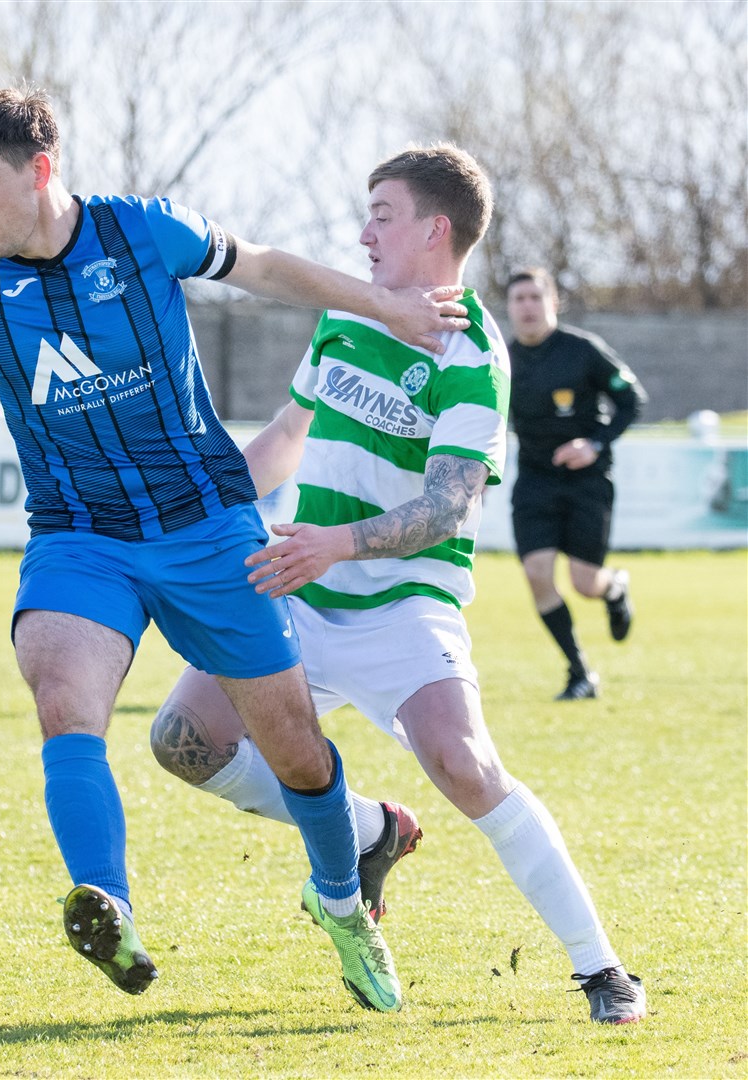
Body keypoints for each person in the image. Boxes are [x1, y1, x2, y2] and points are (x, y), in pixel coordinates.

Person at [0, 88, 472, 1012]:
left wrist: (386, 304)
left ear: (41, 170)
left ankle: (346, 904)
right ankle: (106, 903)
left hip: (205, 525)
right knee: (63, 696)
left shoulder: (143, 231)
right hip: (79, 536)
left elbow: (265, 268)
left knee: (297, 754)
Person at [148, 145, 646, 1024]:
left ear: (434, 228)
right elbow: (287, 434)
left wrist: (336, 543)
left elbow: (451, 506)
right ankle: (370, 828)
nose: (364, 230)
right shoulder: (346, 315)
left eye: (382, 212)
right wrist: (202, 505)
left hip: (401, 602)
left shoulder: (473, 354)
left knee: (465, 763)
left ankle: (602, 968)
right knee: (184, 740)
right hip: (299, 581)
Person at [505, 268, 646, 700]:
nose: (527, 307)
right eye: (518, 299)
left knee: (585, 583)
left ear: (553, 302)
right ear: (509, 308)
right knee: (537, 574)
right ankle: (579, 671)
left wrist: (595, 444)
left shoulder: (583, 351)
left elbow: (631, 400)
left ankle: (614, 586)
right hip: (534, 480)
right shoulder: (498, 359)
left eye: (535, 297)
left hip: (587, 481)